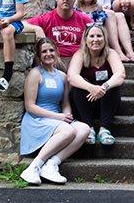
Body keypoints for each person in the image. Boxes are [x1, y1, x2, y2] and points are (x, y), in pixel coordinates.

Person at [19, 38, 91, 185]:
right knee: (67, 130)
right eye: (44, 51)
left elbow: (64, 103)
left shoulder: (63, 76)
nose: (48, 54)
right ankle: (33, 167)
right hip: (37, 119)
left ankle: (51, 165)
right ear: (38, 56)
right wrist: (58, 117)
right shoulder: (35, 74)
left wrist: (67, 115)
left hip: (57, 118)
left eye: (51, 50)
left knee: (83, 129)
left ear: (56, 52)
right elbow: (30, 106)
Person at [67, 25, 126, 146]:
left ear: (104, 39)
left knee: (113, 87)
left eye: (99, 36)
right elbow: (71, 77)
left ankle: (105, 129)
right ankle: (89, 129)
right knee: (77, 88)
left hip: (107, 103)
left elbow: (120, 75)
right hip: (85, 104)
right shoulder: (80, 54)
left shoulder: (111, 53)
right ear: (86, 39)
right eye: (92, 36)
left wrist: (103, 87)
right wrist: (91, 87)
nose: (95, 39)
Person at [75, 0, 134, 64]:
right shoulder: (76, 7)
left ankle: (130, 52)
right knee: (110, 13)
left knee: (120, 15)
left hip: (99, 32)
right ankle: (118, 51)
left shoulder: (98, 7)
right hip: (85, 34)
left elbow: (99, 24)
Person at [24, 0, 93, 63]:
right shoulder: (46, 18)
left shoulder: (84, 20)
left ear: (74, 0)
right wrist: (36, 28)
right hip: (55, 61)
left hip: (78, 61)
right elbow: (21, 25)